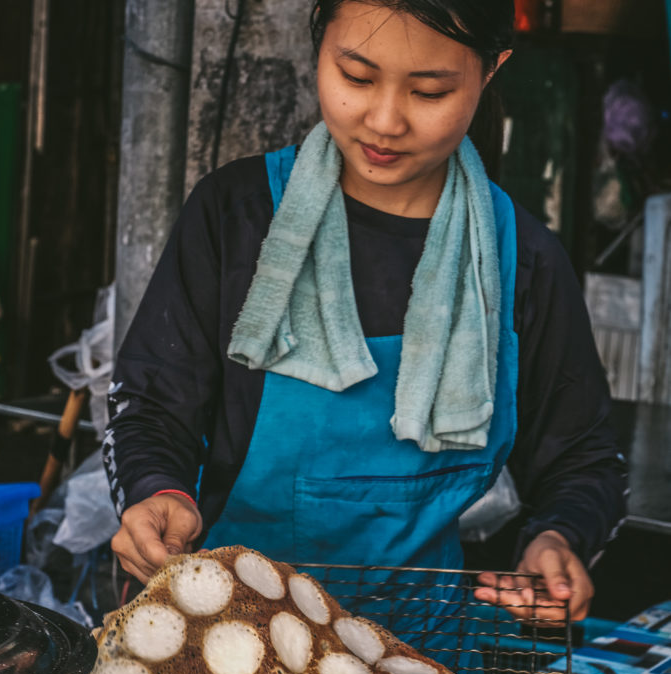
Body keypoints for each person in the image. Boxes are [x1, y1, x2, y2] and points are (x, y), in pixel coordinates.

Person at [104, 0, 625, 631]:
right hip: (226, 639)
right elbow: (153, 402)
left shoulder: (522, 259)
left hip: (426, 662)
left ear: (491, 72)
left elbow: (583, 459)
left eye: (430, 91)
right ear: (319, 46)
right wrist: (159, 490)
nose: (384, 121)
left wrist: (560, 537)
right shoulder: (234, 216)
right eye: (355, 77)